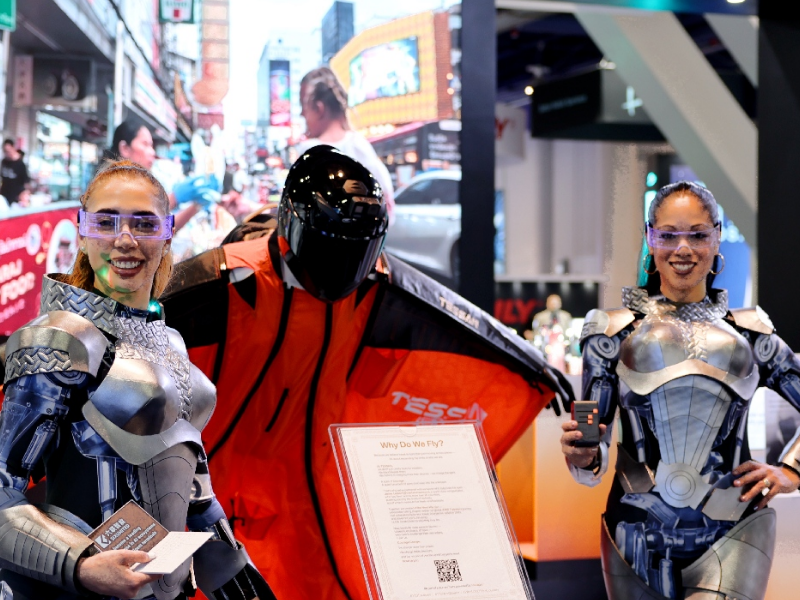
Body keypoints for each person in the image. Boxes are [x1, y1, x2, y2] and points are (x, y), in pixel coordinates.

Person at [160, 146, 572, 600]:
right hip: (212, 482)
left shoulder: (374, 285)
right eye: (332, 250)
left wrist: (528, 362)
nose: (343, 268)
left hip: (312, 488)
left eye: (356, 253)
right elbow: (148, 310)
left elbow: (450, 314)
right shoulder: (229, 279)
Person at [0, 159, 275, 600]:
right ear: (83, 231)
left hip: (166, 585)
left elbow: (191, 482)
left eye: (144, 224)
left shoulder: (169, 342)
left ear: (167, 233)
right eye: (106, 222)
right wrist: (80, 564)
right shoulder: (56, 339)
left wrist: (229, 566)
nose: (125, 239)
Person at [560, 181, 800, 600]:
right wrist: (582, 455)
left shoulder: (751, 334)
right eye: (669, 235)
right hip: (634, 537)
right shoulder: (610, 333)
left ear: (717, 237)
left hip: (734, 534)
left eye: (698, 234)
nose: (683, 249)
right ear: (650, 238)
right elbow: (591, 440)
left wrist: (791, 470)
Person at [295, 67, 395, 220]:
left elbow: (294, 214)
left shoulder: (310, 151)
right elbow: (389, 210)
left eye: (303, 105)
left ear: (319, 108)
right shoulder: (361, 146)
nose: (302, 114)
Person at [0, 139, 30, 205]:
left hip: (16, 197)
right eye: (5, 151)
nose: (7, 153)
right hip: (4, 195)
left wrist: (25, 196)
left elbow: (26, 182)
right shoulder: (4, 162)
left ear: (13, 148)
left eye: (8, 151)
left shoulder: (20, 164)